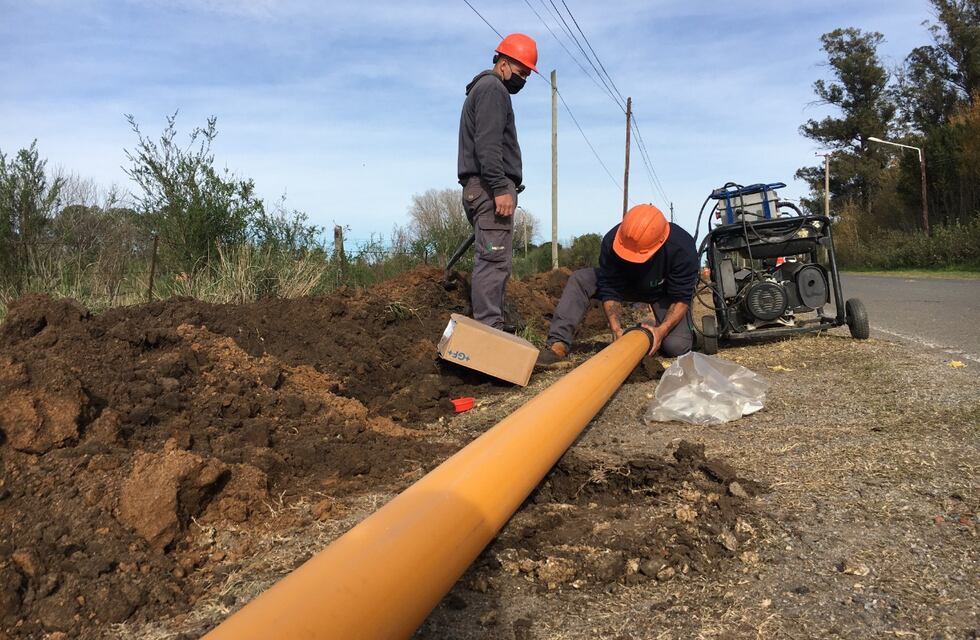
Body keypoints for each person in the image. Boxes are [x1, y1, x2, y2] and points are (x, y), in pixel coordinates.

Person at [537, 203, 699, 365]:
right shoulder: (612, 240)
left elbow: (681, 298)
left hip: (662, 292)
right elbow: (609, 287)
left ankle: (657, 325)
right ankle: (558, 343)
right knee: (580, 279)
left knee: (676, 346)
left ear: (660, 242)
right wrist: (616, 328)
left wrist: (661, 331)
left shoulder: (682, 248)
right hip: (626, 284)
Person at [457, 33, 538, 331]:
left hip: (482, 189)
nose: (523, 80)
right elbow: (488, 145)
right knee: (493, 264)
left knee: (495, 261)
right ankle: (489, 339)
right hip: (490, 188)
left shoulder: (484, 89)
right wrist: (501, 188)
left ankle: (492, 331)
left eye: (528, 75)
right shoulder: (493, 89)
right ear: (503, 63)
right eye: (521, 72)